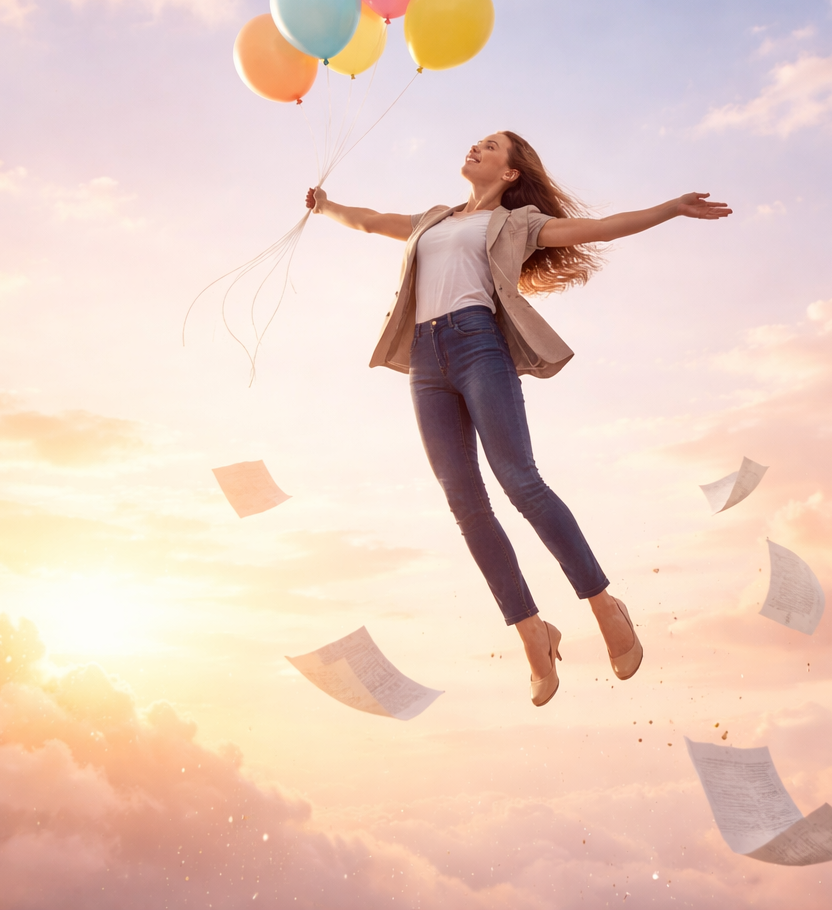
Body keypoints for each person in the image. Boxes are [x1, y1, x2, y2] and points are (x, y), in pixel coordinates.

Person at [306, 131, 731, 705]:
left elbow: (602, 228)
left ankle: (604, 605)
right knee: (465, 503)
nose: (474, 148)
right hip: (426, 360)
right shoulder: (433, 218)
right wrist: (326, 205)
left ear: (510, 172)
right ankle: (532, 630)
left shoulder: (519, 222)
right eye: (475, 142)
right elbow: (372, 220)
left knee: (519, 481)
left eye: (489, 146)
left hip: (480, 343)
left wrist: (671, 209)